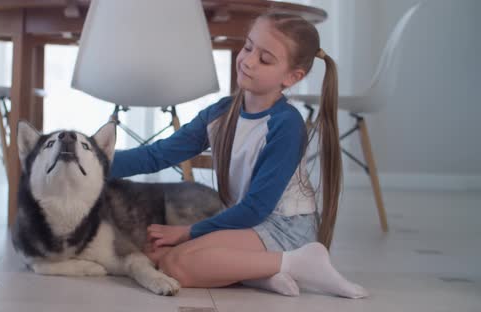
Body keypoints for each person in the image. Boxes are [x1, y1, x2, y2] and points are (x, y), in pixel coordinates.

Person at [109, 11, 368, 299]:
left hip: (286, 228)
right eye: (247, 47)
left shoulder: (286, 125)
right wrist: (96, 162)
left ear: (292, 77)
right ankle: (263, 274)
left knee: (177, 263)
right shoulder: (221, 112)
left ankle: (298, 262)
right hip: (247, 223)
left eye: (265, 59)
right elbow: (158, 155)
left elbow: (256, 207)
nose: (248, 60)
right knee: (158, 255)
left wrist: (187, 232)